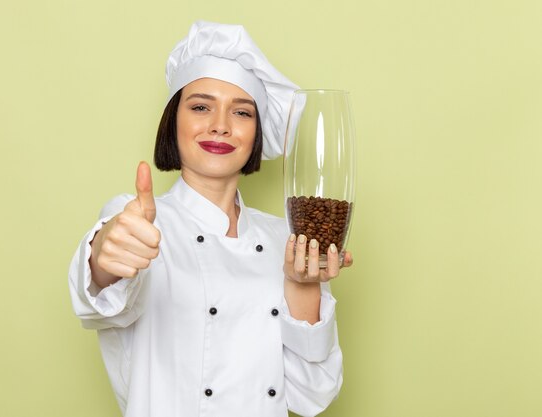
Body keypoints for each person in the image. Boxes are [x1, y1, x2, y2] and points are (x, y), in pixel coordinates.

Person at [68, 21, 353, 417]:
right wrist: (104, 256)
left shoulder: (284, 239)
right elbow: (101, 295)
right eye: (201, 106)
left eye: (241, 112)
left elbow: (313, 397)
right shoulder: (139, 222)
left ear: (256, 134)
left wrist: (301, 285)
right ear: (173, 121)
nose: (220, 124)